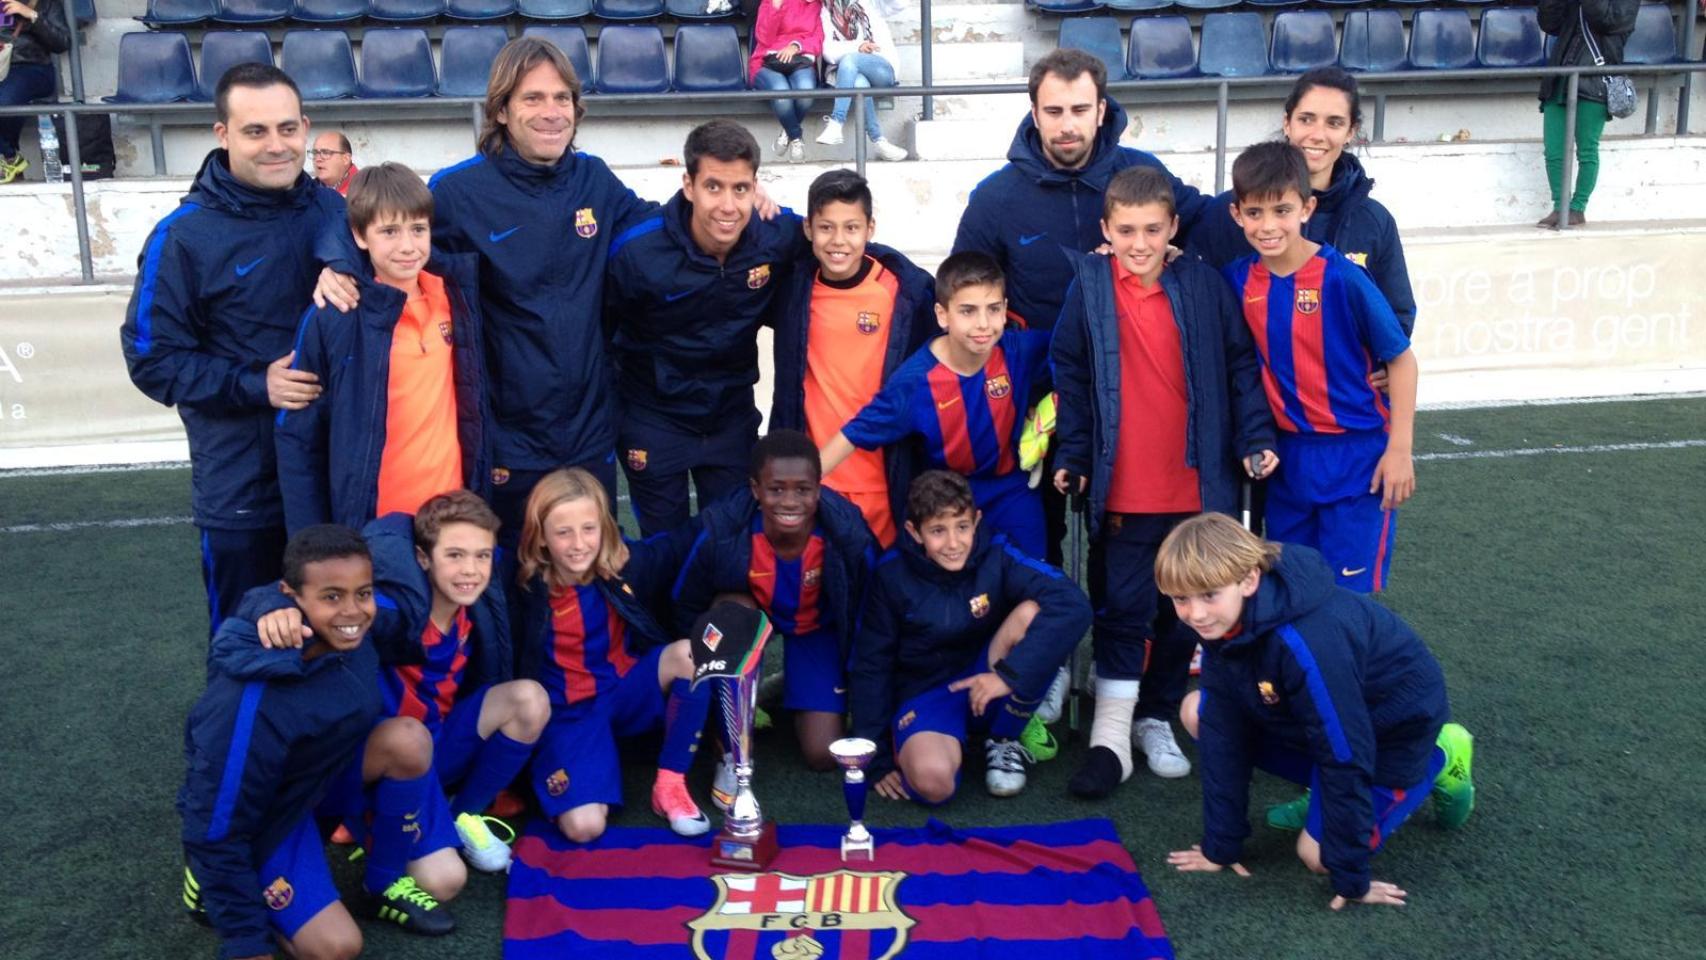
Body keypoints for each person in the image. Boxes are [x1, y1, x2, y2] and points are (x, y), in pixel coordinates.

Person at [317, 38, 658, 547]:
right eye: (533, 98)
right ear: (500, 110)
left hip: (590, 431)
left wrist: (757, 209)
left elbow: (665, 227)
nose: (552, 112)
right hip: (508, 440)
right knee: (512, 584)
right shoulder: (459, 192)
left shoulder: (595, 181)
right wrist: (336, 259)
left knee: (590, 573)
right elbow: (383, 223)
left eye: (562, 98)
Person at [1051, 166, 1278, 799]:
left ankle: (1156, 717)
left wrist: (1255, 438)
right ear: (1106, 230)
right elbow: (1069, 370)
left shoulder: (1203, 284)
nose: (1141, 242)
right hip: (1123, 488)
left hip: (1197, 491)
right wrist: (1074, 449)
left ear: (1174, 227)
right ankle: (1110, 736)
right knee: (1123, 610)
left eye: (1153, 228)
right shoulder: (1089, 287)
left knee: (1187, 614)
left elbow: (1239, 365)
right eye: (1126, 229)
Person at [953, 47, 1210, 569]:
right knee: (1034, 547)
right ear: (1033, 112)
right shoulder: (994, 198)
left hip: (1131, 399)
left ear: (1101, 108)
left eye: (1078, 110)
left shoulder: (1143, 174)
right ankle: (1042, 647)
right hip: (1035, 400)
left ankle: (1132, 647)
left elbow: (1219, 226)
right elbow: (962, 293)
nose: (1066, 125)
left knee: (1126, 559)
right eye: (1053, 112)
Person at [120, 63, 347, 640]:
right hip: (245, 489)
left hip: (336, 474)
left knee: (340, 640)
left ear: (306, 126)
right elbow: (152, 359)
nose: (277, 146)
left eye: (287, 129)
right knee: (249, 644)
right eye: (255, 132)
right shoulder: (183, 236)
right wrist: (256, 384)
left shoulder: (333, 211)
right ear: (221, 134)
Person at [1157, 513, 1476, 910]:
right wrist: (1220, 846)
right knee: (1199, 711)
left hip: (1391, 733)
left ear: (1249, 579)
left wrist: (1352, 876)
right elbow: (1224, 734)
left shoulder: (1304, 642)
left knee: (1319, 857)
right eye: (1181, 599)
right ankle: (1319, 792)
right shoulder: (1227, 623)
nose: (1196, 614)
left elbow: (1346, 751)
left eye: (1209, 595)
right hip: (1325, 721)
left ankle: (1443, 755)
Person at [177, 526, 444, 960]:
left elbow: (394, 532)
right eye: (332, 597)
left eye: (364, 592)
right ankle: (204, 884)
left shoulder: (357, 625)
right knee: (338, 947)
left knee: (408, 740)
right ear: (291, 595)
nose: (353, 611)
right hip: (269, 817)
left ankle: (382, 882)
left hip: (318, 781)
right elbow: (213, 829)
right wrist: (247, 943)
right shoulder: (250, 701)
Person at [255, 492, 549, 875]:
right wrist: (267, 606)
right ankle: (383, 822)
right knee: (444, 880)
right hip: (395, 759)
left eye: (482, 555)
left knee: (530, 698)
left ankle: (462, 816)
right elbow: (309, 598)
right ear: (424, 558)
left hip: (439, 742)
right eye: (454, 555)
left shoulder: (476, 606)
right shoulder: (394, 609)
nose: (471, 570)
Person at [1223, 142, 1416, 595]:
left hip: (1358, 455)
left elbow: (1402, 360)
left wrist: (1400, 451)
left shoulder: (1343, 277)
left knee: (1348, 598)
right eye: (1255, 213)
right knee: (1294, 587)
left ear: (1307, 208)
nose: (1268, 226)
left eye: (1282, 210)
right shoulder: (1237, 279)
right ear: (1237, 215)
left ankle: (1350, 666)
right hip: (1289, 460)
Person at [605, 120, 807, 535]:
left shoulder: (777, 234)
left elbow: (837, 241)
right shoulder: (638, 252)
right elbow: (601, 333)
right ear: (688, 185)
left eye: (740, 189)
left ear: (756, 187)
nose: (728, 206)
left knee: (731, 544)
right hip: (654, 421)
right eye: (713, 187)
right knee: (665, 550)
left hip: (730, 419)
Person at [848, 470, 1090, 802]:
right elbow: (871, 664)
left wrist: (1008, 676)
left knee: (1033, 614)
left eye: (962, 527)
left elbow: (1072, 604)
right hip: (927, 693)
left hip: (988, 676)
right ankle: (943, 741)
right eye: (937, 531)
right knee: (934, 784)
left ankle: (1004, 738)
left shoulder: (998, 553)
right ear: (914, 532)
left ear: (976, 522)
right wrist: (875, 757)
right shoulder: (891, 576)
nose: (953, 543)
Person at [277, 162, 490, 535]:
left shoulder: (456, 299)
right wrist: (311, 542)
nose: (407, 246)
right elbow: (299, 438)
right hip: (375, 526)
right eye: (389, 231)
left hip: (453, 518)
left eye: (418, 229)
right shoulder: (336, 313)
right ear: (359, 236)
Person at [512, 467, 714, 843]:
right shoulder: (521, 588)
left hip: (625, 692)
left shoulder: (620, 566)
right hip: (570, 716)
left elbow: (679, 541)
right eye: (562, 532)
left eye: (589, 529)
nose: (578, 544)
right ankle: (591, 763)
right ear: (540, 538)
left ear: (604, 528)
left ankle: (670, 784)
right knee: (585, 828)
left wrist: (747, 499)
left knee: (689, 654)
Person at [818, 251, 1052, 559]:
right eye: (967, 311)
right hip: (947, 505)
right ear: (942, 315)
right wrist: (798, 485)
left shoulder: (1019, 351)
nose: (983, 324)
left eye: (993, 309)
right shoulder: (914, 382)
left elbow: (1079, 345)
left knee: (1037, 584)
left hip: (1012, 492)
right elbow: (854, 434)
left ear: (1005, 309)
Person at [671, 430, 876, 777]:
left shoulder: (847, 531)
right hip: (752, 615)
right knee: (730, 609)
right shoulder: (724, 528)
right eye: (776, 489)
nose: (790, 501)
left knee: (823, 755)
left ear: (819, 487)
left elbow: (870, 610)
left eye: (803, 489)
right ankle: (729, 745)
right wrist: (692, 671)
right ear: (756, 490)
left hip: (816, 628)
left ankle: (790, 684)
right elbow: (685, 598)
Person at [767, 168, 937, 547]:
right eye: (826, 227)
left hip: (885, 481)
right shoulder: (792, 290)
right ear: (808, 229)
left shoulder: (906, 292)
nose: (838, 241)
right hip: (819, 481)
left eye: (851, 227)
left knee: (885, 597)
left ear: (870, 228)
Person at [1188, 68, 1416, 337]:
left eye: (1334, 123)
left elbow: (1398, 315)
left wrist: (1380, 366)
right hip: (1253, 378)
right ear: (1288, 123)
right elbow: (1198, 296)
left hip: (1341, 379)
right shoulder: (1232, 211)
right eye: (1306, 119)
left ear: (1350, 131)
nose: (1318, 135)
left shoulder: (1373, 220)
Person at [1536, 0, 1640, 227]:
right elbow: (1549, 23)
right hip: (1560, 78)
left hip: (1594, 82)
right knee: (1553, 150)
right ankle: (1559, 206)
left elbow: (1607, 20)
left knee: (1587, 150)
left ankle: (1578, 208)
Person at [813, 0, 907, 161]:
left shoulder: (871, 3)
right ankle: (878, 140)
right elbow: (829, 52)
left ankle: (836, 122)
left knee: (849, 60)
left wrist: (852, 49)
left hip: (882, 68)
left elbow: (900, 4)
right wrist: (858, 46)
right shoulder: (826, 12)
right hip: (852, 72)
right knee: (858, 83)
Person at [0, 0, 69, 184]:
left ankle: (7, 158)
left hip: (31, 67)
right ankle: (9, 157)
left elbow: (62, 42)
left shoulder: (45, 2)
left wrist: (32, 16)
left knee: (4, 100)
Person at [749, 0, 823, 164]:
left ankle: (786, 133)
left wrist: (796, 46)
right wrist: (776, 6)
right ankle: (796, 138)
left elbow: (818, 40)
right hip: (766, 62)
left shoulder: (816, 5)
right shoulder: (771, 2)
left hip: (800, 58)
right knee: (782, 93)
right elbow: (764, 37)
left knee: (805, 92)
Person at [310, 131, 357, 195]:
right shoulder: (306, 191)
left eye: (326, 153)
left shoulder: (366, 189)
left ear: (346, 159)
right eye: (315, 153)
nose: (318, 159)